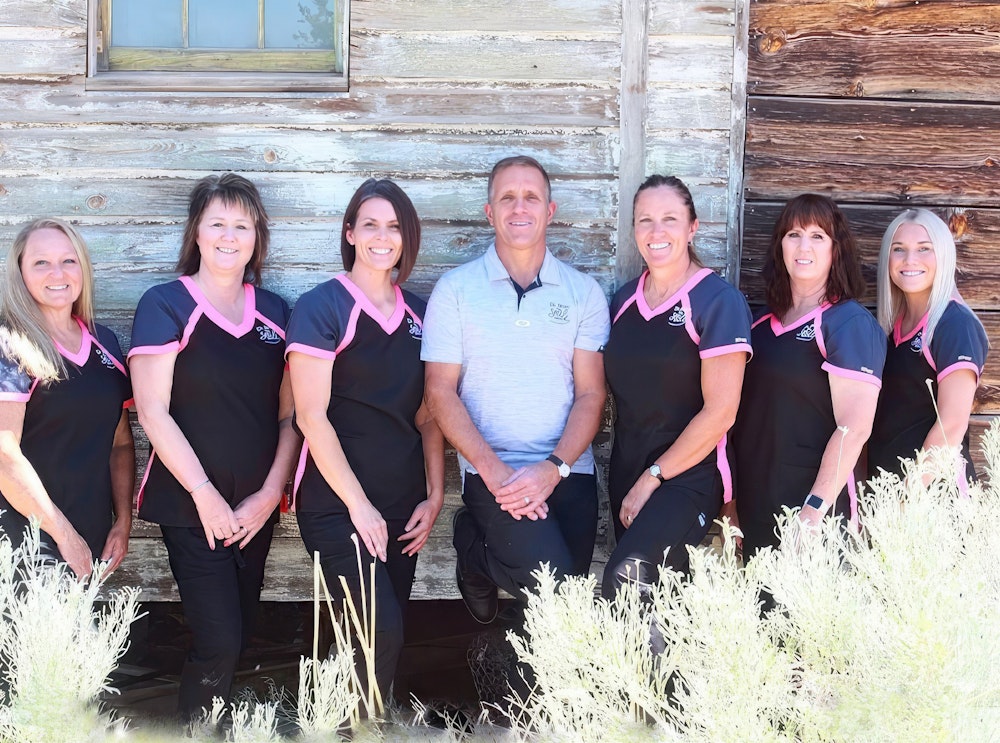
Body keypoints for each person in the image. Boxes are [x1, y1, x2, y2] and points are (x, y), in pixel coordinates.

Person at [129, 174, 299, 719]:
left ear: (257, 236)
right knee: (218, 640)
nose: (230, 236)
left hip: (255, 508)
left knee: (242, 631)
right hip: (191, 505)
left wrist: (270, 495)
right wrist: (204, 495)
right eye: (217, 224)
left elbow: (291, 417)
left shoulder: (276, 311)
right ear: (196, 233)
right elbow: (152, 411)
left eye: (242, 225)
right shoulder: (165, 304)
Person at [422, 155, 610, 624]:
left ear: (550, 210)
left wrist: (553, 468)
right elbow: (439, 392)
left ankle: (480, 563)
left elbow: (591, 395)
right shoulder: (456, 290)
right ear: (490, 212)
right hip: (495, 473)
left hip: (568, 471)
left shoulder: (583, 293)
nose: (519, 207)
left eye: (531, 197)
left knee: (559, 597)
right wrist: (493, 472)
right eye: (507, 197)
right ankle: (478, 556)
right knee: (562, 602)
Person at [285, 178, 444, 702]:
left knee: (378, 643)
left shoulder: (423, 313)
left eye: (394, 226)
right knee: (380, 632)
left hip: (402, 503)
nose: (382, 237)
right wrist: (359, 506)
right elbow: (310, 417)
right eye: (370, 224)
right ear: (349, 232)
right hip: (337, 504)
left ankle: (351, 725)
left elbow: (428, 413)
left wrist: (435, 494)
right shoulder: (322, 306)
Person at [601, 176, 751, 600]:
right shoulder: (622, 302)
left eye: (670, 218)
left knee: (630, 576)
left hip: (691, 476)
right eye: (645, 220)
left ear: (692, 228)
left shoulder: (717, 301)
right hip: (628, 473)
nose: (656, 231)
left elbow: (721, 412)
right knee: (654, 602)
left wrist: (654, 477)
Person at [729, 194, 886, 558]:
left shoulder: (848, 323)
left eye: (818, 236)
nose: (804, 246)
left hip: (813, 514)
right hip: (754, 503)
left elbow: (855, 427)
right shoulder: (758, 326)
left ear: (836, 250)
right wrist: (730, 503)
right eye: (794, 234)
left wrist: (815, 510)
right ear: (780, 245)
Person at [0, 218, 134, 579]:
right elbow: (4, 457)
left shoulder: (104, 341)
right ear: (20, 272)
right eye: (40, 262)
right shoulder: (9, 345)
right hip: (25, 539)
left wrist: (122, 521)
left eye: (68, 260)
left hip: (91, 536)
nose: (57, 272)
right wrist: (64, 535)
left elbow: (120, 443)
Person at [868, 208, 987, 486]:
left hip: (933, 500)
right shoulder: (889, 328)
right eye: (899, 249)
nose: (910, 260)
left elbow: (952, 426)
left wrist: (909, 501)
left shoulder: (955, 324)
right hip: (885, 495)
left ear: (943, 256)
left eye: (924, 249)